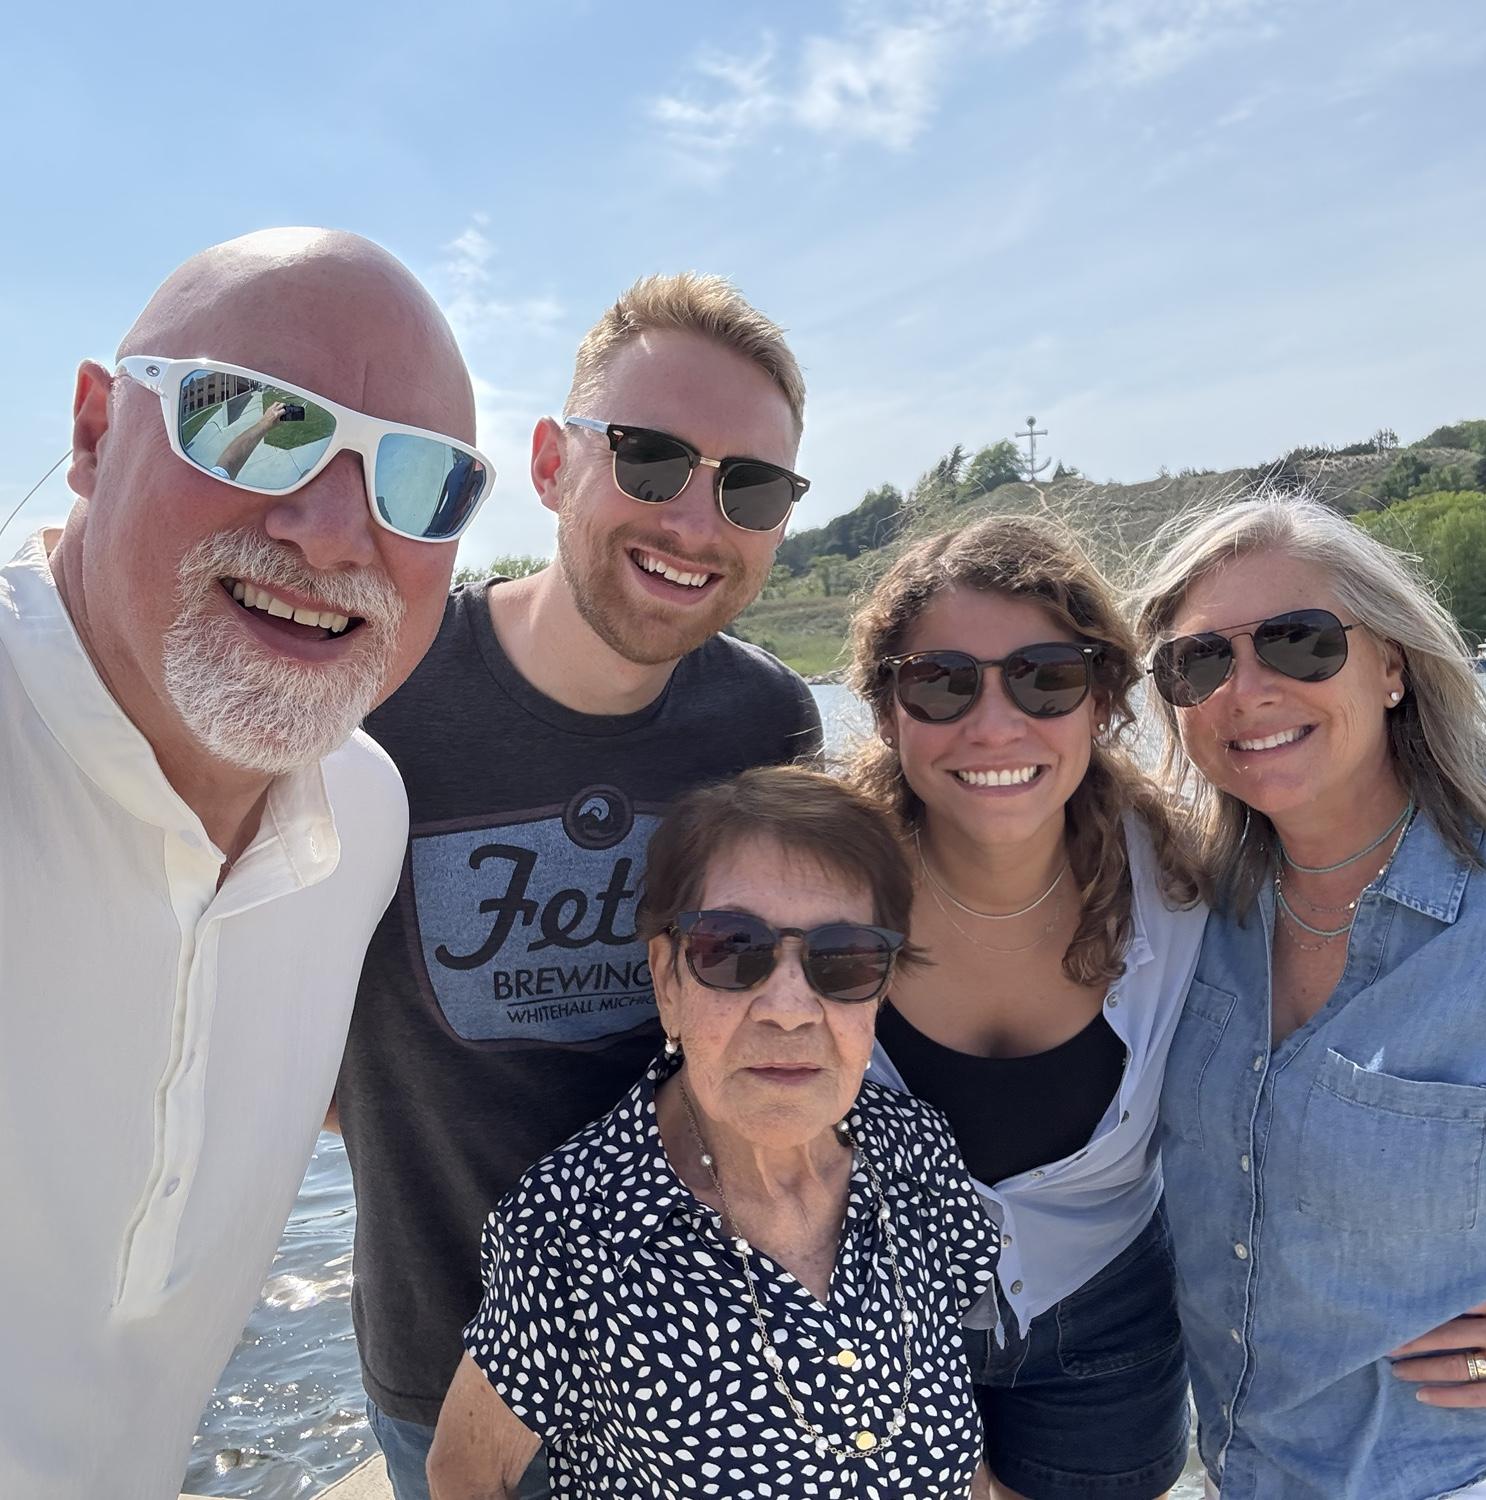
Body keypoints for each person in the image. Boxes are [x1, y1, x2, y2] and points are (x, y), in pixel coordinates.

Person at [0, 229, 493, 1500]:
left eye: (419, 482)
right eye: (254, 423)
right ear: (97, 433)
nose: (335, 534)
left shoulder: (364, 818)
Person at [333, 274, 822, 1498]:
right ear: (552, 464)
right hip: (439, 1360)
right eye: (651, 460)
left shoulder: (767, 721)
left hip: (699, 1363)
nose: (697, 522)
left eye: (751, 487)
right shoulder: (384, 689)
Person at [426, 766, 1004, 1499]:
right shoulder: (571, 1230)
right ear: (666, 978)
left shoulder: (920, 1155)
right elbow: (465, 1470)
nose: (790, 1009)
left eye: (844, 958)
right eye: (732, 949)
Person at [1137, 493, 1486, 1499]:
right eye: (1200, 661)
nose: (1246, 689)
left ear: (1393, 664)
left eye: (1298, 642)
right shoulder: (1179, 913)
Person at [846, 513, 1208, 1500]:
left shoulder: (1190, 887)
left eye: (1045, 676)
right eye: (942, 681)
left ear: (1101, 701)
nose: (994, 724)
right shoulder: (817, 887)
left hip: (1111, 1335)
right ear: (888, 710)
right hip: (873, 1335)